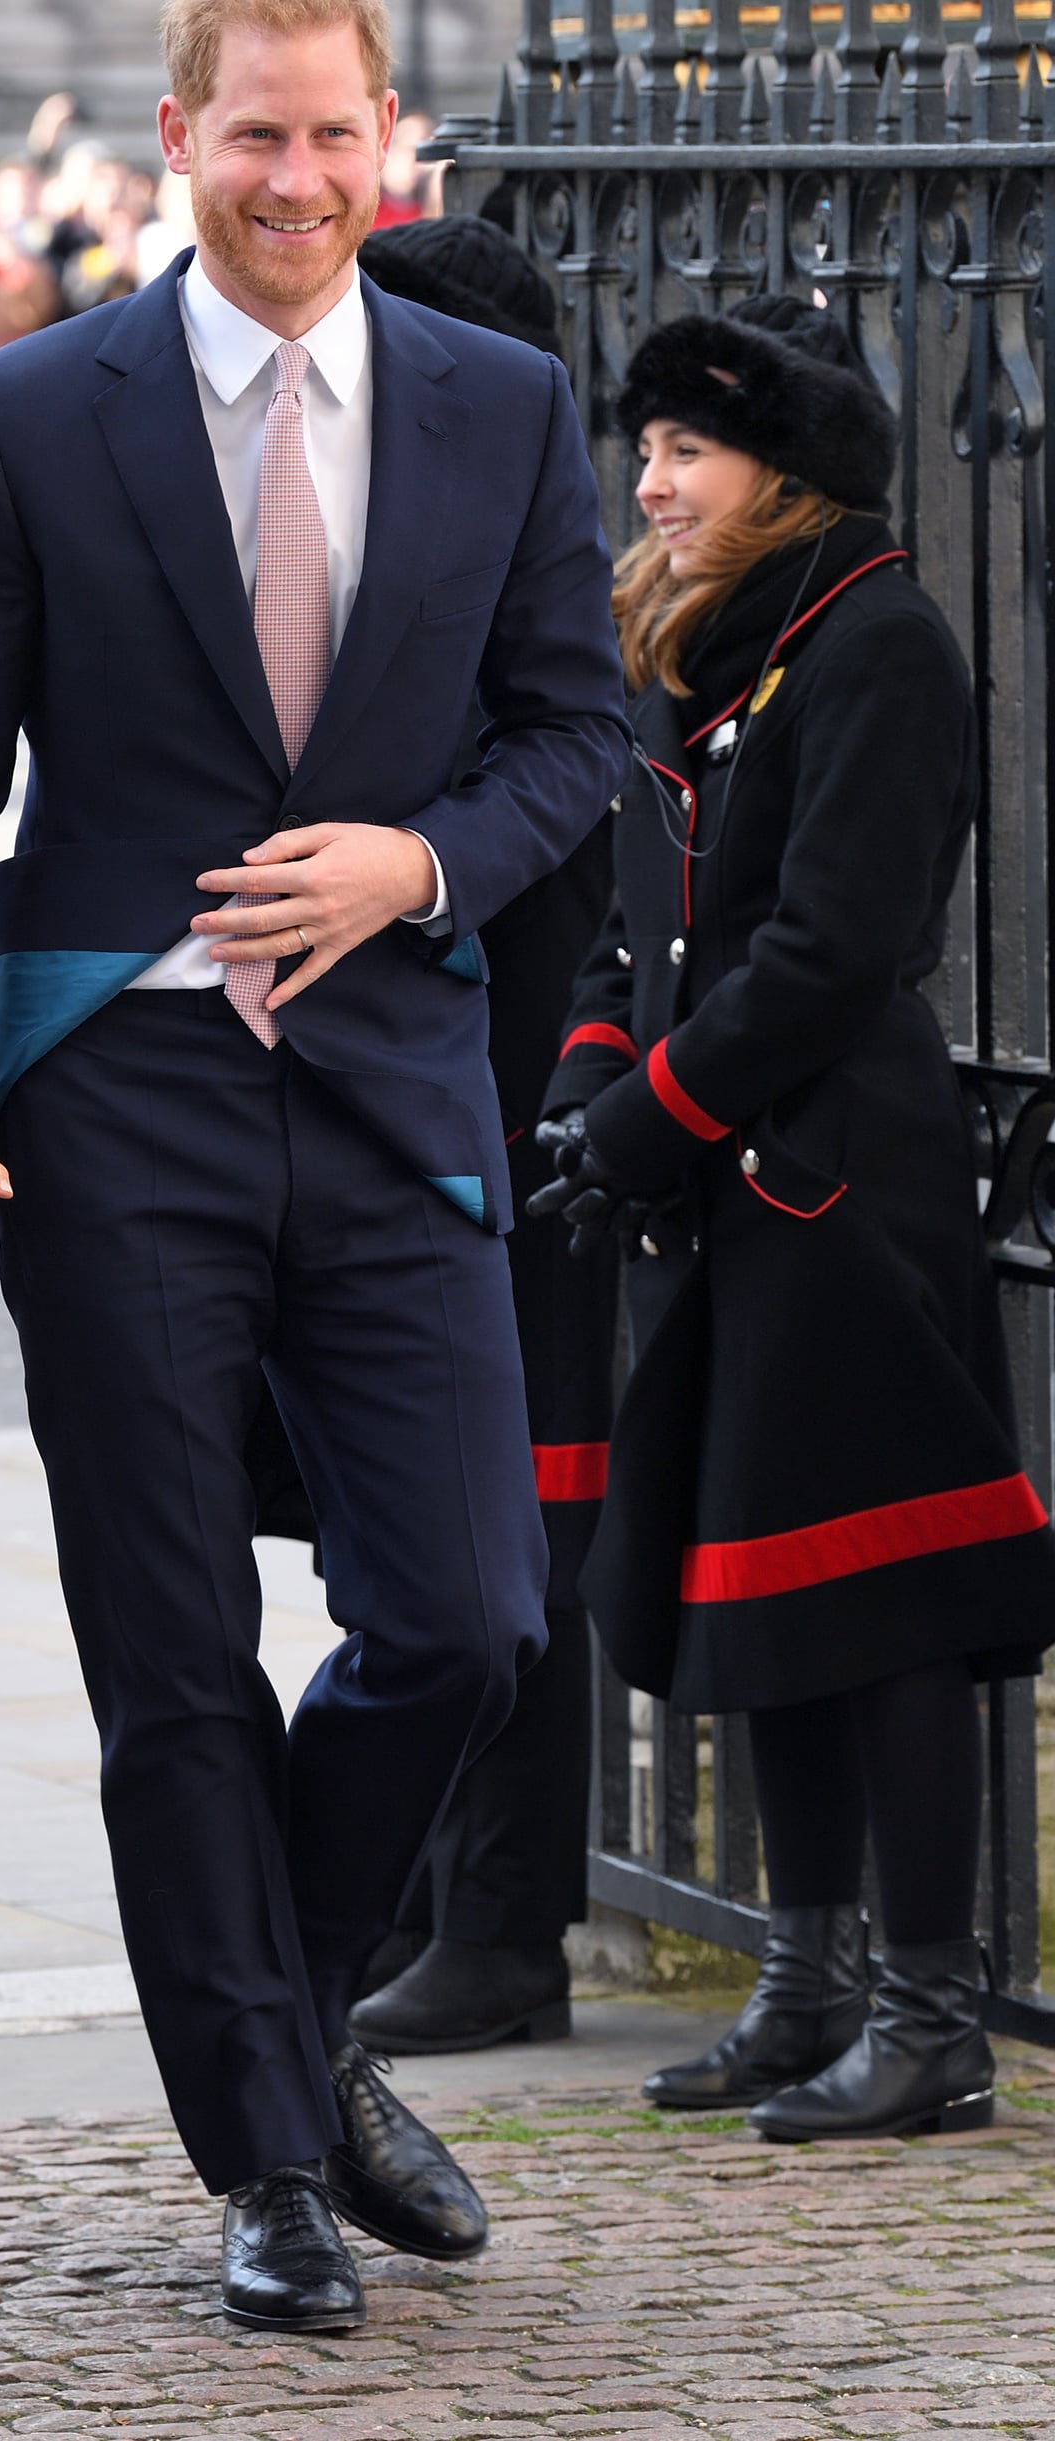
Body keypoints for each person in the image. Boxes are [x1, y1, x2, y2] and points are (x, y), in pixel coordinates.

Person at [0, 0, 628, 2331]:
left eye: (333, 133)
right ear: (174, 136)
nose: (295, 178)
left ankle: (276, 2032)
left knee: (465, 1617)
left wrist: (425, 862)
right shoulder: (30, 413)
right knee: (173, 1651)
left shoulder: (500, 405)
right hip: (118, 1094)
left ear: (383, 134)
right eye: (252, 132)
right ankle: (267, 2159)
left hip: (390, 1081)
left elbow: (572, 729)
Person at [532, 297, 1055, 2142]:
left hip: (834, 1177)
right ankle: (804, 1977)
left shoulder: (875, 640)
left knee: (881, 1602)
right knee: (759, 1593)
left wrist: (650, 1122)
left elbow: (833, 952)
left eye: (686, 448)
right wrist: (593, 1078)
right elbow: (639, 923)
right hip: (725, 1176)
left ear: (785, 467)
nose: (651, 481)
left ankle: (927, 2022)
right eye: (649, 447)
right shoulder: (706, 644)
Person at [335, 215, 618, 2056]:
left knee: (514, 1547)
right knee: (416, 1547)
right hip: (410, 1124)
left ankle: (506, 1920)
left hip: (527, 1125)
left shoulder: (523, 568)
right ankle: (431, 1892)